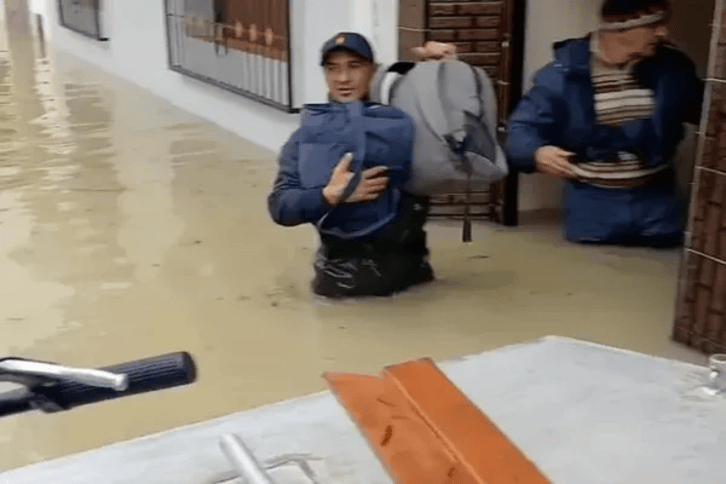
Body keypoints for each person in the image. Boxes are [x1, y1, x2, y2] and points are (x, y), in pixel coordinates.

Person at [504, 0, 704, 247]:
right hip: (594, 209)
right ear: (619, 28)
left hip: (658, 206)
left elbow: (707, 110)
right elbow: (522, 128)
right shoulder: (564, 75)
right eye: (653, 25)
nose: (663, 33)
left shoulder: (672, 69)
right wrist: (536, 153)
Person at [268, 33, 434, 298]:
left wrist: (443, 69)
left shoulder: (403, 123)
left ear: (373, 70)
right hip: (345, 285)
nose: (343, 78)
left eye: (354, 66)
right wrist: (328, 195)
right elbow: (280, 207)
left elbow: (459, 148)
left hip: (415, 279)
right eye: (332, 69)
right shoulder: (307, 138)